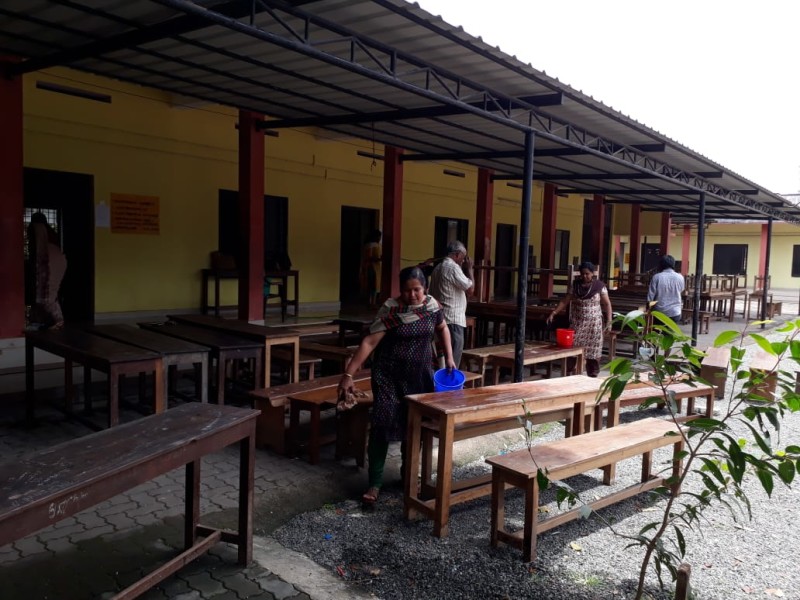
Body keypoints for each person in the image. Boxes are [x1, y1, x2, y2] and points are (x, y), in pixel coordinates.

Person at [338, 266, 456, 506]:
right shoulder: (390, 310)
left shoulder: (432, 307)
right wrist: (348, 374)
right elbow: (369, 342)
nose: (412, 295)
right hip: (388, 377)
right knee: (382, 424)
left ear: (425, 288)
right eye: (406, 290)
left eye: (417, 290)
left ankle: (408, 475)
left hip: (420, 377)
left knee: (414, 426)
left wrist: (450, 357)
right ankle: (375, 482)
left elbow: (442, 328)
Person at [546, 261, 612, 378]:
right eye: (582, 274)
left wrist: (609, 321)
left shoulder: (599, 286)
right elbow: (565, 301)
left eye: (587, 274)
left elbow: (607, 304)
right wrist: (554, 312)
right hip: (578, 323)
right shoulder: (575, 286)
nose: (584, 276)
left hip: (594, 325)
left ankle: (592, 376)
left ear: (592, 273)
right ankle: (569, 375)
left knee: (593, 352)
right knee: (572, 348)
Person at [428, 241, 474, 368]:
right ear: (457, 254)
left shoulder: (437, 268)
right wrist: (470, 269)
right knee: (453, 359)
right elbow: (470, 289)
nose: (463, 261)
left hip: (440, 318)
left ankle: (441, 379)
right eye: (463, 257)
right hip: (453, 319)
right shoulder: (452, 267)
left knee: (442, 359)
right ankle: (450, 380)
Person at [27, 212, 67, 330]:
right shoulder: (50, 232)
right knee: (50, 292)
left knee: (45, 294)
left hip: (47, 259)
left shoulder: (36, 229)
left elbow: (35, 249)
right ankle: (48, 320)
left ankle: (56, 321)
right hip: (58, 259)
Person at [647, 255, 685, 319]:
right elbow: (681, 290)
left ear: (661, 265)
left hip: (659, 313)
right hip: (675, 312)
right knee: (672, 326)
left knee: (657, 326)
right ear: (673, 264)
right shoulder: (680, 277)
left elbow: (650, 297)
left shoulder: (656, 277)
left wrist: (648, 309)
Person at [360, 230, 382, 307]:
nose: (380, 238)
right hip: (372, 267)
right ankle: (372, 303)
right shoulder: (372, 245)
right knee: (373, 285)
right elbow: (369, 257)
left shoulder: (369, 245)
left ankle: (371, 302)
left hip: (372, 267)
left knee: (372, 285)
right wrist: (379, 259)